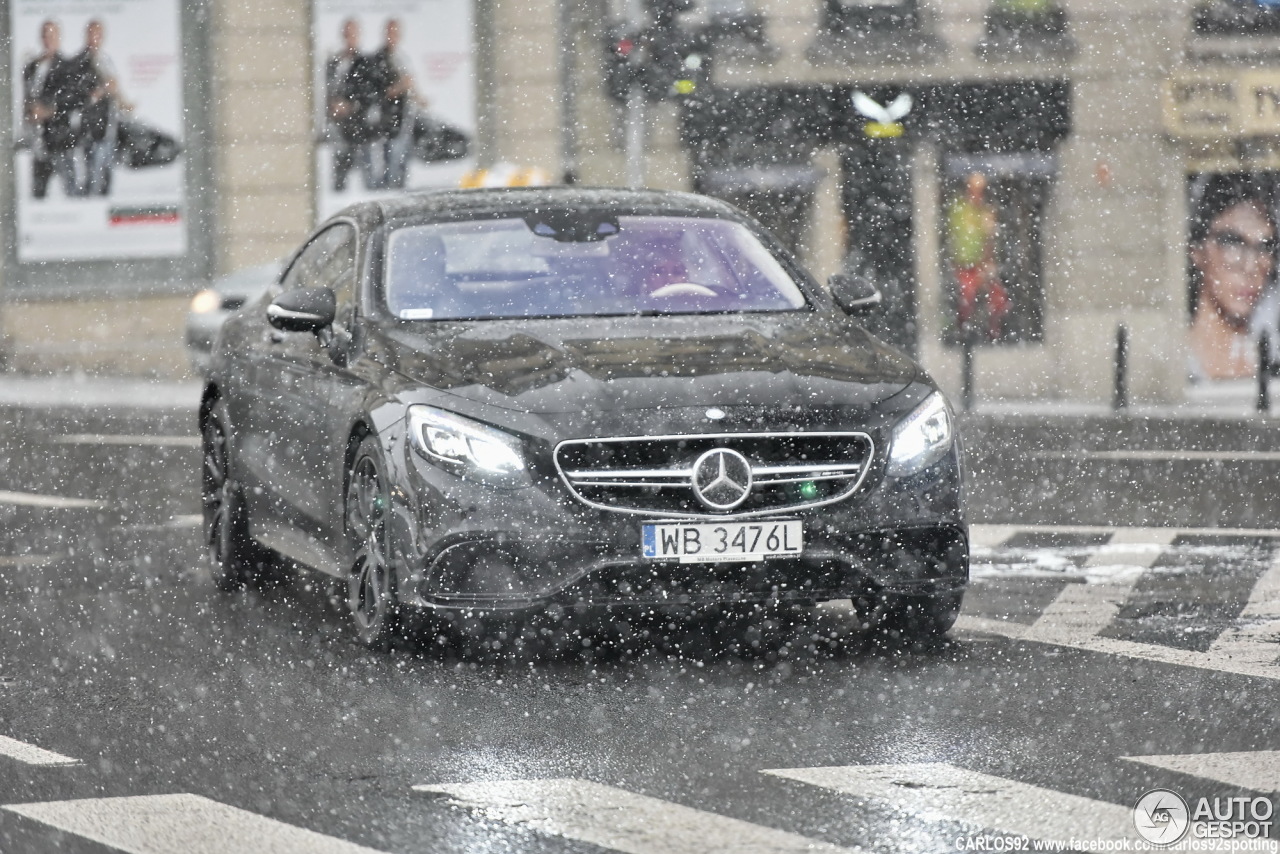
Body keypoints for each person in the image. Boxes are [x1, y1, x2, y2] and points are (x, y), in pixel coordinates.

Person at [1188, 178, 1278, 381]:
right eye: (1233, 243)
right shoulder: (1174, 359)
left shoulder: (1271, 358)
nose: (1250, 267)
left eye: (1265, 247)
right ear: (1198, 251)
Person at [945, 171, 1010, 342]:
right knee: (967, 298)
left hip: (981, 262)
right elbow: (959, 232)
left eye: (979, 189)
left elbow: (990, 238)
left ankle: (992, 331)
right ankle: (964, 332)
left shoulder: (983, 210)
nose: (976, 193)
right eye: (974, 189)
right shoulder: (962, 209)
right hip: (966, 263)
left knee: (997, 297)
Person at [22, 20, 82, 199]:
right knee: (38, 191)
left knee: (70, 188)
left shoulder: (67, 66)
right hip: (38, 139)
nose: (48, 40)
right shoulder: (32, 67)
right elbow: (27, 97)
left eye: (52, 35)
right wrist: (30, 114)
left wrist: (48, 111)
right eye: (45, 35)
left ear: (58, 37)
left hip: (60, 138)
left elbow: (72, 100)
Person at [75, 19, 129, 196]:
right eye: (92, 34)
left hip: (108, 127)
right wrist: (103, 89)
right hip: (93, 130)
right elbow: (81, 96)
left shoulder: (105, 59)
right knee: (93, 179)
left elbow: (113, 88)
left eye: (98, 34)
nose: (95, 38)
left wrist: (122, 102)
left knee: (107, 179)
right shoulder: (80, 63)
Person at [325, 19, 377, 191]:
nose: (350, 37)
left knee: (367, 177)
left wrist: (351, 105)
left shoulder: (365, 63)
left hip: (359, 128)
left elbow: (369, 95)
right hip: (339, 128)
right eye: (347, 33)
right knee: (340, 177)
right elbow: (327, 91)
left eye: (353, 33)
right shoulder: (334, 62)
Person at [367, 19, 418, 189]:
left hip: (404, 116)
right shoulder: (379, 59)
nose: (392, 37)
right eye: (390, 32)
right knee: (391, 161)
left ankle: (398, 189)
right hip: (388, 119)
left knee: (402, 161)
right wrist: (400, 86)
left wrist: (417, 95)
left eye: (395, 33)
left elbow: (410, 85)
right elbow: (381, 91)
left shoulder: (401, 57)